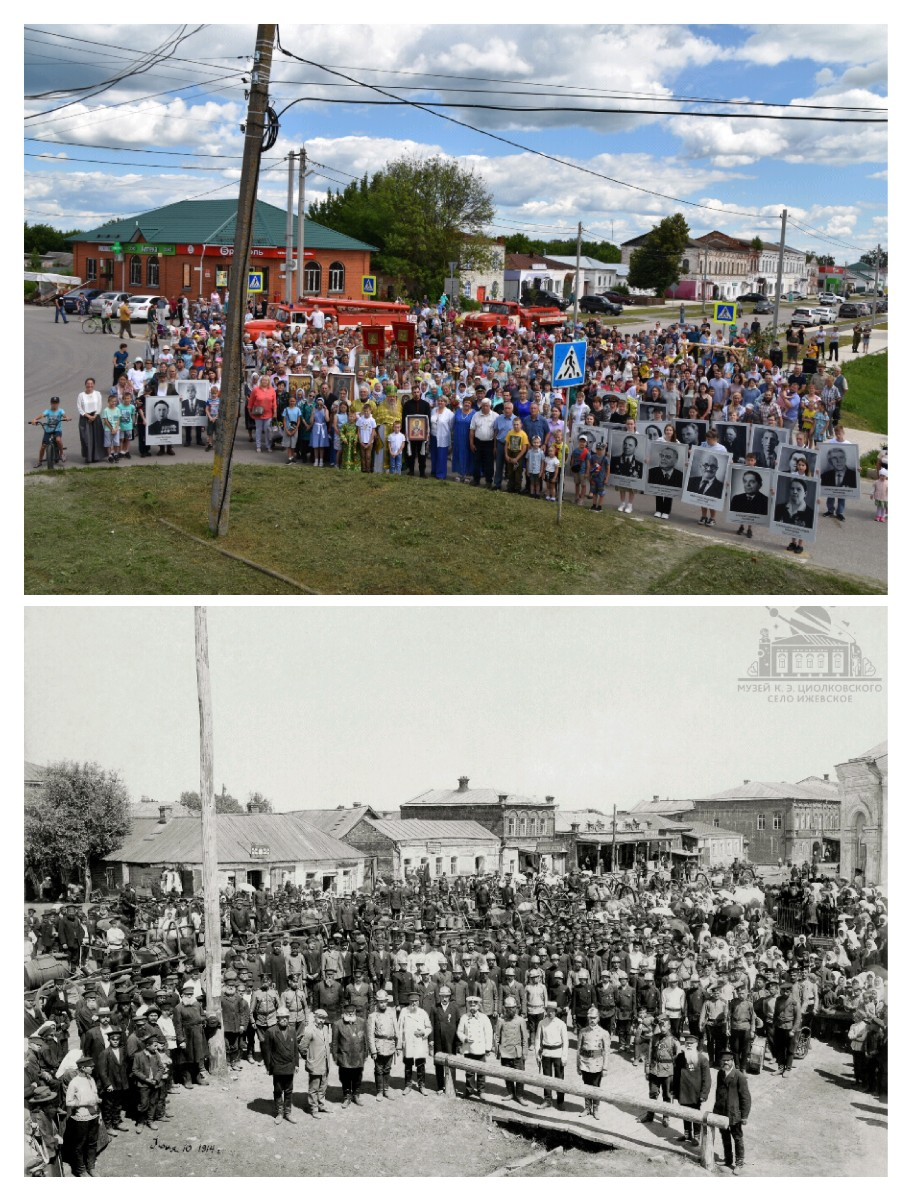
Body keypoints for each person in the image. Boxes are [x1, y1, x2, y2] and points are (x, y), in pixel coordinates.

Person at [713, 1050, 751, 1175]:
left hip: (734, 1114)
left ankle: (739, 1163)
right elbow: (718, 1092)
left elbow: (746, 1098)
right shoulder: (720, 1073)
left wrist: (744, 1116)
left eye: (728, 1060)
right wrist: (716, 1110)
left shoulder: (739, 1076)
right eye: (723, 1060)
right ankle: (728, 1159)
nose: (725, 1063)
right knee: (725, 1136)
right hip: (721, 1112)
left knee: (737, 1137)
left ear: (732, 1062)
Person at [63, 1055, 101, 1176]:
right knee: (79, 1144)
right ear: (83, 1068)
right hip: (81, 1118)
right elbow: (68, 1102)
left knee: (92, 1142)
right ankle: (80, 1170)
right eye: (90, 1067)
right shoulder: (74, 1083)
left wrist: (98, 1107)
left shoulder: (91, 1079)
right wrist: (85, 1102)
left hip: (93, 1116)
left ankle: (91, 1167)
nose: (93, 1068)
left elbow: (94, 1094)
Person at [672, 1032, 711, 1145]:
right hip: (683, 1092)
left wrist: (704, 1094)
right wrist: (674, 1090)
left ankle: (697, 1137)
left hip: (695, 1094)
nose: (689, 1045)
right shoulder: (680, 1058)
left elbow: (707, 1079)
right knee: (685, 1113)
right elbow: (675, 1075)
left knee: (695, 1115)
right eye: (687, 1043)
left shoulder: (702, 1059)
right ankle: (687, 1134)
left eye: (691, 1044)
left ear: (696, 1045)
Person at [332, 998, 369, 1107]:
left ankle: (356, 1094)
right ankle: (347, 1096)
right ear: (344, 1012)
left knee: (358, 1076)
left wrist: (366, 1053)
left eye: (352, 1012)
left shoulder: (362, 1022)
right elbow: (334, 1042)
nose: (350, 1014)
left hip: (358, 1054)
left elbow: (365, 1039)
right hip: (344, 1056)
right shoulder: (338, 1024)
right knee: (345, 1077)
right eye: (348, 1012)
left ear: (355, 1012)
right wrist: (335, 1056)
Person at [457, 994, 494, 1100]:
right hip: (468, 1048)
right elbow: (459, 1031)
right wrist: (465, 1038)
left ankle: (481, 1091)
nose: (472, 1006)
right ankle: (469, 1090)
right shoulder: (464, 1017)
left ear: (478, 1006)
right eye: (470, 1004)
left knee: (481, 1070)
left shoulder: (484, 1018)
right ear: (468, 1006)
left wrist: (488, 1048)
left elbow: (489, 1033)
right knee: (469, 1071)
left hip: (480, 1048)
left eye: (475, 1004)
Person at [266, 1006, 299, 1123]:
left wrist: (297, 1064)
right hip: (277, 1066)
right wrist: (269, 1067)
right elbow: (267, 1051)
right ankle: (279, 1113)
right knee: (278, 1090)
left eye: (286, 1017)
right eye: (282, 1017)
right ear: (277, 1018)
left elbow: (295, 1049)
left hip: (289, 1066)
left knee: (289, 1090)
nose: (284, 1019)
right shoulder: (271, 1031)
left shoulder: (292, 1030)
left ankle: (288, 1112)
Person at [298, 1008, 333, 1118]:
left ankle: (321, 1105)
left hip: (325, 1063)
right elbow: (302, 1047)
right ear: (315, 1017)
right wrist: (309, 1058)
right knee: (314, 1088)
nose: (322, 1021)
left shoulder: (326, 1028)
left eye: (323, 1019)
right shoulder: (309, 1030)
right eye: (319, 1018)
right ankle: (313, 1108)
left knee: (323, 1086)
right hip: (315, 1064)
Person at [495, 994, 529, 1104]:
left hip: (517, 1053)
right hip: (505, 1052)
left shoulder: (520, 1020)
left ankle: (519, 1095)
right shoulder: (501, 1020)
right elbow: (497, 1037)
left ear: (516, 1008)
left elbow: (524, 1038)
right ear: (505, 1009)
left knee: (520, 1075)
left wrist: (525, 1053)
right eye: (508, 1008)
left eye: (513, 1008)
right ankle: (510, 1093)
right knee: (507, 1074)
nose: (511, 1010)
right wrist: (497, 1052)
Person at [576, 1005, 609, 1118]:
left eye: (594, 1018)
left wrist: (605, 1067)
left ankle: (596, 1109)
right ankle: (587, 1108)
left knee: (595, 1087)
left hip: (597, 1064)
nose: (592, 1020)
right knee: (586, 1086)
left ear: (598, 1018)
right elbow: (579, 1050)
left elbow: (606, 1051)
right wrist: (578, 1065)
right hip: (585, 1063)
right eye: (590, 1018)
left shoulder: (603, 1033)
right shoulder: (583, 1031)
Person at [535, 998, 568, 1109]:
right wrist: (537, 1055)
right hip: (546, 1053)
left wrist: (564, 1057)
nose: (550, 1013)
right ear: (546, 1011)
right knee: (547, 1078)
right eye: (548, 1011)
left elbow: (565, 1041)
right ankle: (547, 1099)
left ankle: (560, 1101)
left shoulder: (561, 1024)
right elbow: (537, 1039)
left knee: (559, 1078)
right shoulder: (542, 1023)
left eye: (552, 1011)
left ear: (556, 1011)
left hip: (558, 1053)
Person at [366, 989, 398, 1101]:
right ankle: (379, 1091)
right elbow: (370, 1035)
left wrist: (397, 1045)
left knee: (387, 1068)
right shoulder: (373, 1016)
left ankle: (386, 1089)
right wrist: (373, 1050)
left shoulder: (392, 1013)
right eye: (381, 1002)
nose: (383, 1004)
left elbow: (396, 1029)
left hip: (390, 1044)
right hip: (378, 1045)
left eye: (384, 1002)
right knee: (379, 1069)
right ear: (377, 1002)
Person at [29, 395, 71, 468]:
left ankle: (61, 454)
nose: (54, 404)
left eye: (56, 403)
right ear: (50, 403)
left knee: (58, 440)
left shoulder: (60, 411)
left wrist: (67, 418)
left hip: (57, 430)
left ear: (58, 403)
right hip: (48, 430)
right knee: (43, 446)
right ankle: (39, 461)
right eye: (53, 403)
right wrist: (35, 419)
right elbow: (42, 415)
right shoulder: (48, 411)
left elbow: (64, 415)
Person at [76, 377, 105, 463]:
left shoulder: (97, 394)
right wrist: (88, 416)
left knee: (97, 437)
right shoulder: (81, 395)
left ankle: (96, 456)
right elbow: (79, 407)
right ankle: (88, 457)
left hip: (95, 417)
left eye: (91, 384)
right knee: (86, 438)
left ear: (94, 385)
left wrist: (94, 416)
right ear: (85, 385)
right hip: (85, 417)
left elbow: (99, 405)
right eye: (88, 384)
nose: (90, 385)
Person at [248, 375, 277, 453]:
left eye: (266, 380)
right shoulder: (256, 390)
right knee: (258, 430)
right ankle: (258, 446)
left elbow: (274, 403)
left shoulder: (272, 390)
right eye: (263, 380)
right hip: (258, 413)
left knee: (267, 430)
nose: (264, 381)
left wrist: (275, 412)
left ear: (268, 382)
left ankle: (268, 446)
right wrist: (249, 411)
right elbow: (251, 401)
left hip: (268, 414)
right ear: (261, 381)